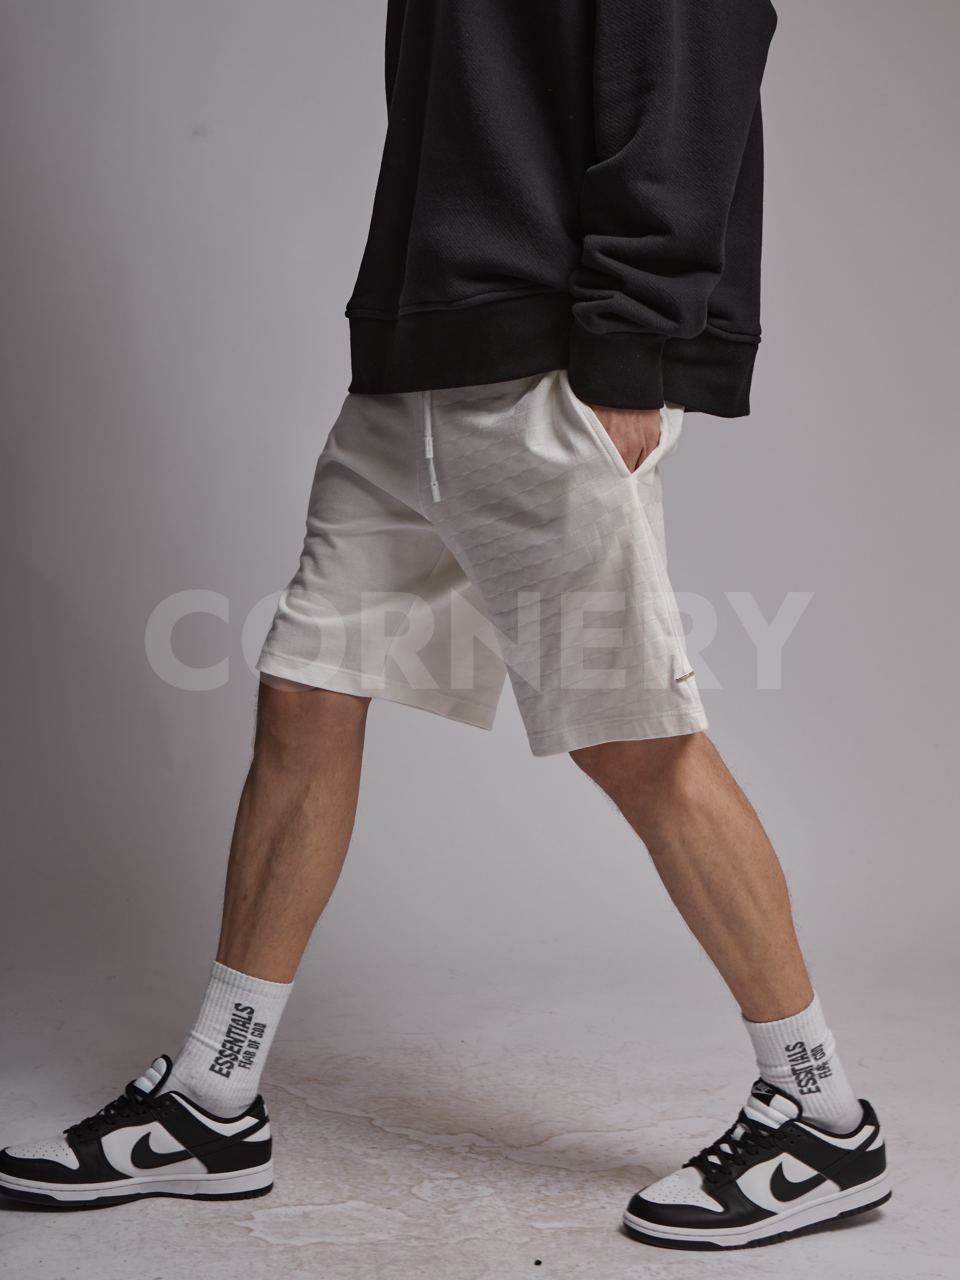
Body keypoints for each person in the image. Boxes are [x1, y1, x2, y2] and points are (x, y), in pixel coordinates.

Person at [0, 0, 890, 1251]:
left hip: (550, 371)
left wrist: (632, 353)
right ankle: (212, 1097)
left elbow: (691, 83)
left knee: (636, 740)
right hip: (416, 359)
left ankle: (823, 1113)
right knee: (306, 689)